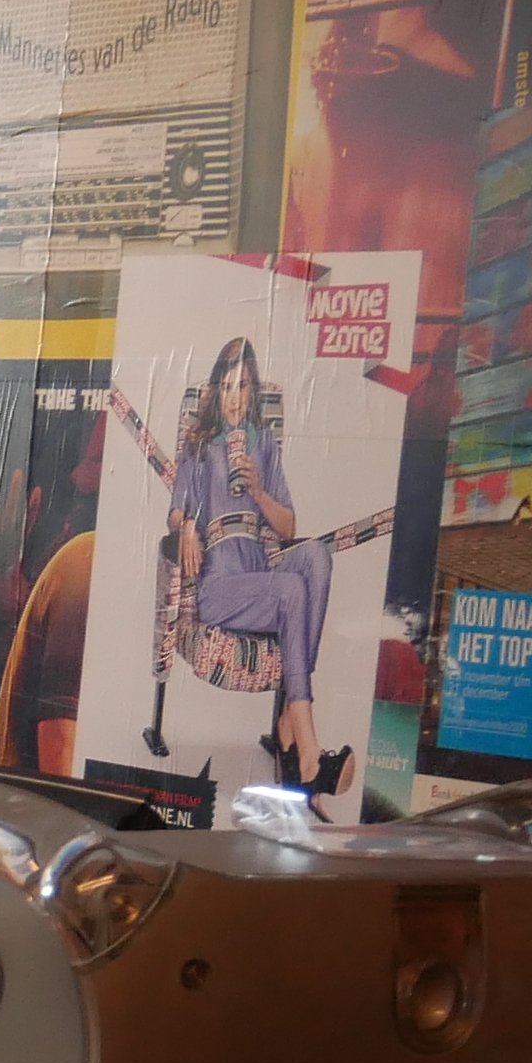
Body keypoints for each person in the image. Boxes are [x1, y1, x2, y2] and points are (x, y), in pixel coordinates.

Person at [169, 335, 337, 794]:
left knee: (316, 556)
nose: (234, 397)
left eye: (242, 386)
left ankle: (288, 720)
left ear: (252, 390)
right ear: (215, 391)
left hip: (258, 573)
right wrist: (188, 527)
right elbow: (175, 510)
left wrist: (260, 491)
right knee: (292, 590)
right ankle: (307, 745)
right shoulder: (199, 446)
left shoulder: (264, 446)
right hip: (219, 585)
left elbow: (288, 527)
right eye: (226, 386)